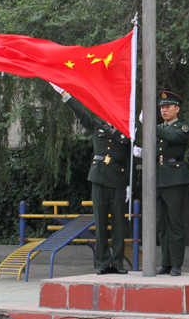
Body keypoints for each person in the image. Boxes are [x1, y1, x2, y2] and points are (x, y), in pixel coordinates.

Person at [52, 84, 130, 274]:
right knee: (100, 222)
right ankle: (102, 262)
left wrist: (129, 183)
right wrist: (66, 95)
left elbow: (130, 157)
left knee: (119, 224)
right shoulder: (97, 124)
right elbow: (81, 113)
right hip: (99, 177)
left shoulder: (126, 129)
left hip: (118, 179)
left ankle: (118, 263)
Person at [150, 89, 189, 276]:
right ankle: (165, 263)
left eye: (168, 107)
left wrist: (150, 124)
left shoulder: (182, 128)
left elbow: (173, 137)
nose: (164, 110)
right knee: (162, 224)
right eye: (162, 108)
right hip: (159, 178)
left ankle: (176, 264)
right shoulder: (160, 128)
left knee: (175, 223)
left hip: (175, 179)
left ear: (177, 109)